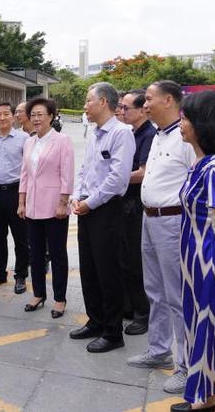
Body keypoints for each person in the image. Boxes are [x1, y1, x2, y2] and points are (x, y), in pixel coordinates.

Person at [171, 90, 215, 412]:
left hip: (210, 264)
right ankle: (208, 397)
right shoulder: (201, 164)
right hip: (192, 262)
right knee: (199, 329)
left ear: (202, 123)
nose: (180, 123)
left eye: (185, 118)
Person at [127, 80, 195, 395]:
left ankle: (186, 366)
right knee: (154, 290)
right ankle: (158, 349)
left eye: (150, 99)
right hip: (149, 219)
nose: (145, 104)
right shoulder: (157, 135)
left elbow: (196, 182)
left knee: (177, 296)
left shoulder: (186, 137)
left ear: (168, 100)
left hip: (171, 223)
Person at [69, 83, 135, 353]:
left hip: (106, 210)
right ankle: (95, 320)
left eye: (88, 101)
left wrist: (89, 203)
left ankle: (112, 331)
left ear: (104, 102)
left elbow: (117, 179)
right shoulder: (95, 134)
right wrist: (77, 196)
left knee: (108, 271)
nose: (85, 106)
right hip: (86, 208)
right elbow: (85, 169)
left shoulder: (122, 134)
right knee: (90, 268)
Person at [18, 97, 74, 317]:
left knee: (58, 254)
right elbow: (24, 174)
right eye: (33, 115)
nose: (36, 118)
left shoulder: (62, 141)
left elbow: (67, 175)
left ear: (51, 116)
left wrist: (63, 202)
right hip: (32, 206)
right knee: (36, 254)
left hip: (54, 208)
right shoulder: (29, 142)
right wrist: (21, 202)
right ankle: (38, 293)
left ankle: (59, 298)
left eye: (41, 114)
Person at [0, 102, 29, 294]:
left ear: (13, 117)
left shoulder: (24, 138)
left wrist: (23, 199)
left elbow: (28, 169)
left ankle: (21, 275)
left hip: (17, 191)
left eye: (6, 114)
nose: (2, 118)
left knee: (21, 238)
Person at [118, 90, 155, 335]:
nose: (121, 112)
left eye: (126, 108)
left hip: (137, 205)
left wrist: (114, 180)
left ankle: (144, 313)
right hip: (125, 203)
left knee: (136, 261)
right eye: (120, 107)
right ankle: (129, 306)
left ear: (142, 110)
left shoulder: (148, 135)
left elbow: (143, 172)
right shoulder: (132, 133)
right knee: (124, 258)